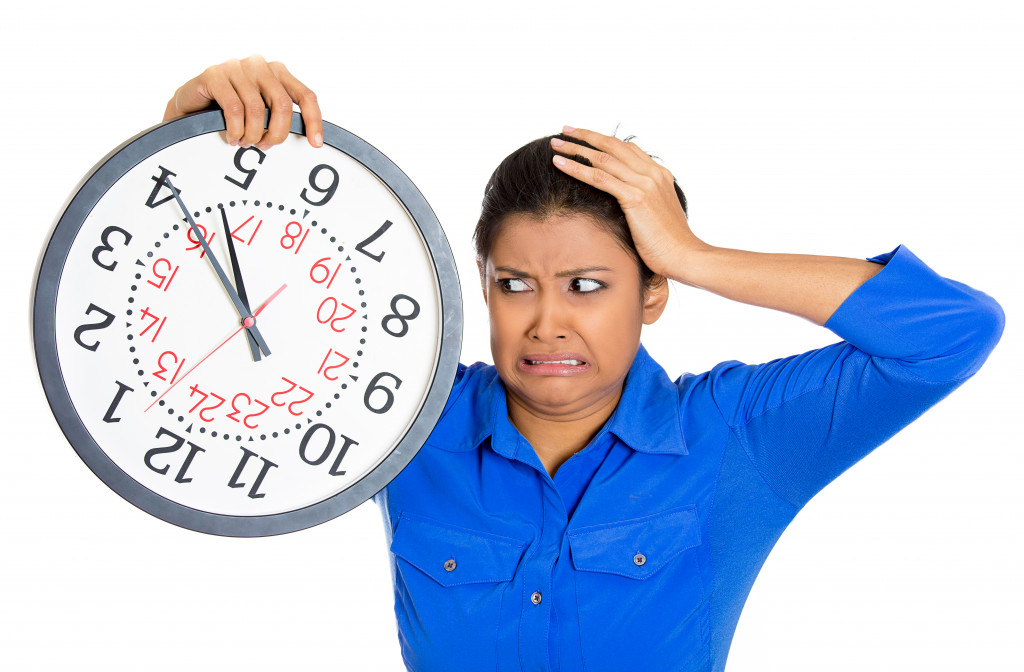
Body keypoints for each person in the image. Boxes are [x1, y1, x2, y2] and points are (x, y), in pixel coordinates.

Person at [164, 56, 1005, 671]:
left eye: (589, 284)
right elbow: (233, 345)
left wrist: (693, 253)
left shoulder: (735, 436)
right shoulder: (403, 419)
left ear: (652, 294)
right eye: (516, 283)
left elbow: (953, 331)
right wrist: (190, 138)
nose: (548, 321)